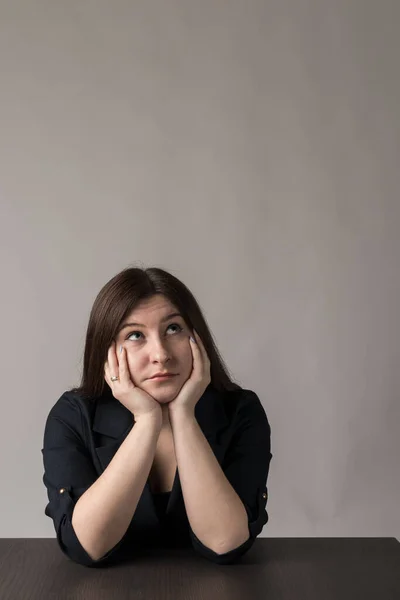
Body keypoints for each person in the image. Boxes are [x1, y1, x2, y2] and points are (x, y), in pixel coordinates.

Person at [41, 266, 272, 567]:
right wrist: (147, 421)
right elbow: (88, 546)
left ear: (196, 337)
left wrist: (184, 414)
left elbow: (225, 542)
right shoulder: (72, 416)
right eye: (135, 335)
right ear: (107, 350)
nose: (160, 354)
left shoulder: (241, 410)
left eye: (173, 329)